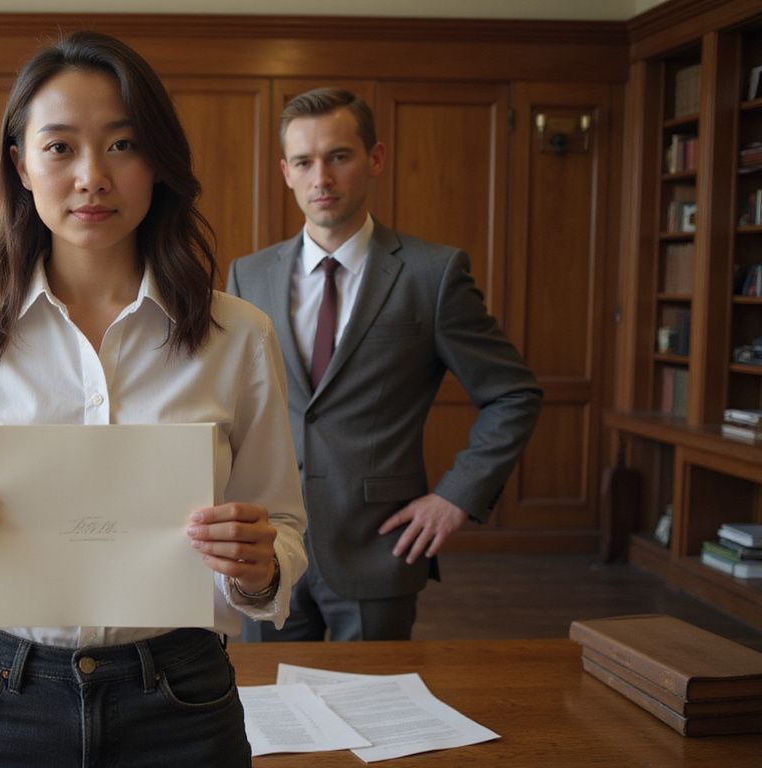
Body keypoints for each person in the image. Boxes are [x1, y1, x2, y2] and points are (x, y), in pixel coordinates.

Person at [0, 32, 307, 767]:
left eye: (123, 144)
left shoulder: (236, 335)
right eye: (60, 147)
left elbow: (283, 527)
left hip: (181, 695)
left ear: (157, 161)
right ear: (22, 165)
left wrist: (259, 565)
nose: (92, 177)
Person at [227, 88, 542, 642]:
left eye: (339, 156)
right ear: (286, 171)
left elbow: (513, 394)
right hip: (267, 550)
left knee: (373, 717)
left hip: (378, 546)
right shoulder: (247, 278)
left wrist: (454, 497)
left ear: (375, 158)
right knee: (267, 714)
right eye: (304, 161)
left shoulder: (432, 274)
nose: (320, 177)